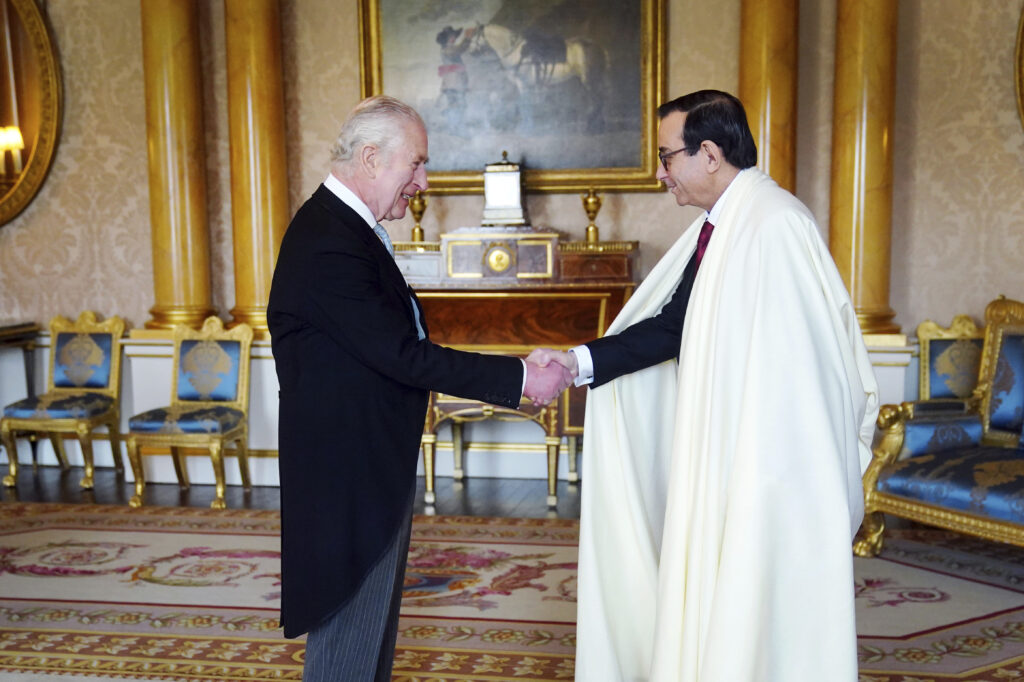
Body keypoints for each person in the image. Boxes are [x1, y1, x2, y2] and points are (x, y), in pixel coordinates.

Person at [531, 90, 879, 681]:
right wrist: (574, 363)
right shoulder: (723, 227)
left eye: (667, 157)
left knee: (762, 617)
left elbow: (807, 370)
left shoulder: (776, 225)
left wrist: (767, 475)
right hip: (732, 459)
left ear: (710, 153)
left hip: (771, 474)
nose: (661, 173)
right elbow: (673, 327)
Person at [267, 95, 570, 682]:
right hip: (347, 475)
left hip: (369, 463)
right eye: (417, 164)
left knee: (368, 641)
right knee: (347, 646)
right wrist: (522, 378)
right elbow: (403, 355)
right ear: (373, 157)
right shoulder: (329, 239)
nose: (423, 182)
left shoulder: (350, 228)